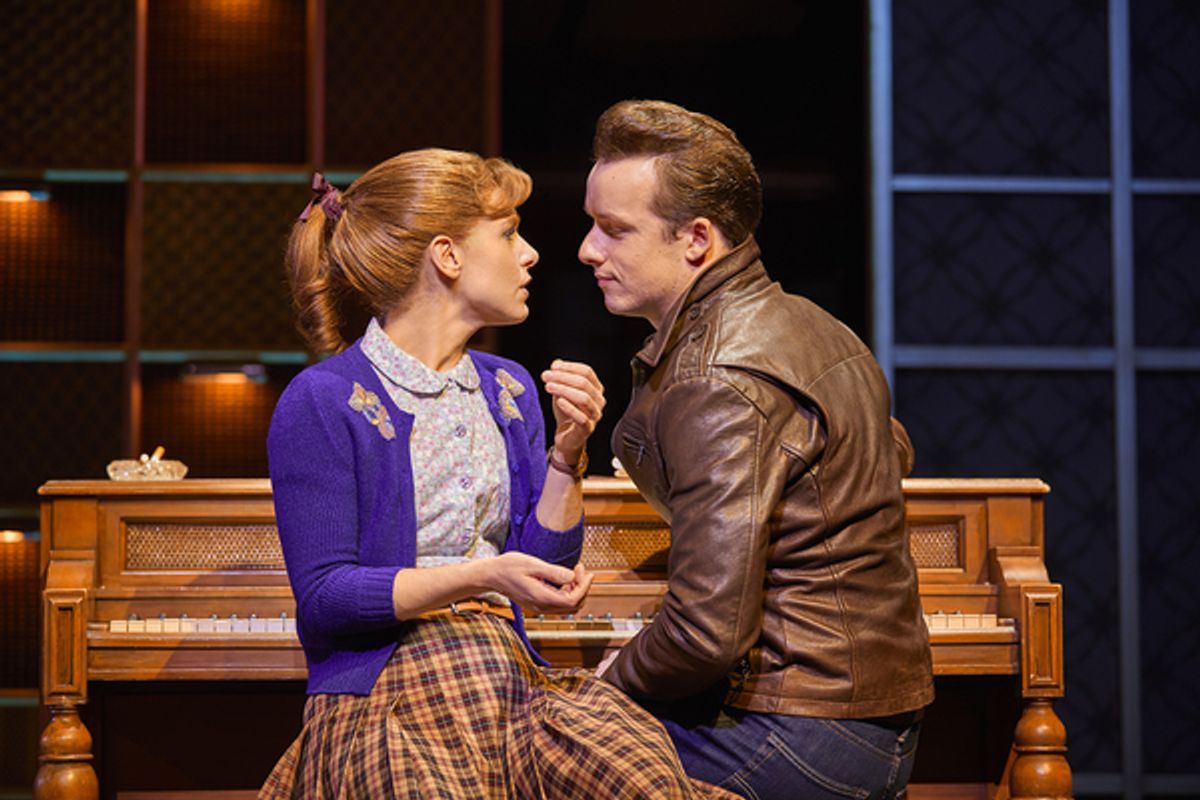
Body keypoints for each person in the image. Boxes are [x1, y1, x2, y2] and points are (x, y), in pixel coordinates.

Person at [260, 149, 735, 799]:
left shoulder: (506, 390)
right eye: (509, 233)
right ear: (448, 256)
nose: (531, 253)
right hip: (388, 698)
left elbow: (540, 564)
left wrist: (568, 453)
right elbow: (325, 601)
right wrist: (482, 574)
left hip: (505, 682)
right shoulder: (324, 399)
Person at [579, 100, 934, 800]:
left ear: (697, 239)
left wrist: (604, 690)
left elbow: (706, 633)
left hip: (797, 733)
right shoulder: (816, 326)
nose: (589, 249)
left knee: (533, 750)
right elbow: (888, 455)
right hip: (874, 723)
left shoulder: (715, 376)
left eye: (614, 230)